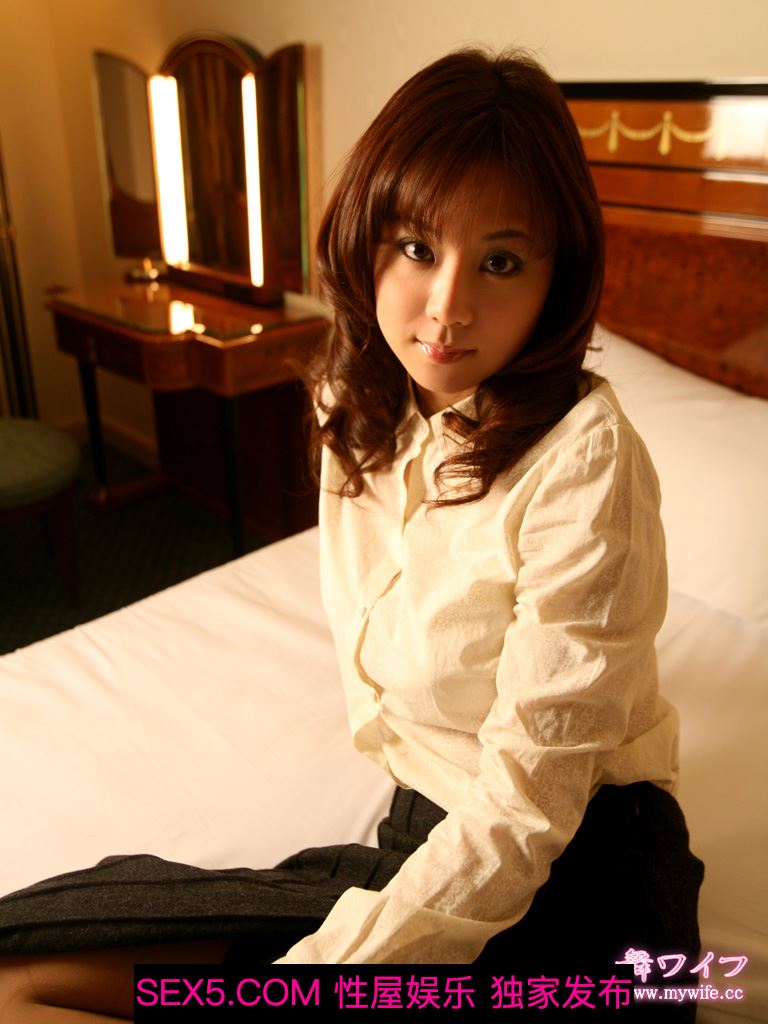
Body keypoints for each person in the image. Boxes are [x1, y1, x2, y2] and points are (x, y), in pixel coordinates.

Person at [0, 48, 702, 1019]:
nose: (447, 307)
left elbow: (527, 807)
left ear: (558, 278)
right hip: (428, 832)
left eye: (501, 261)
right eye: (416, 247)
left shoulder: (586, 463)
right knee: (24, 965)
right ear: (368, 237)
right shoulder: (355, 401)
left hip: (583, 869)